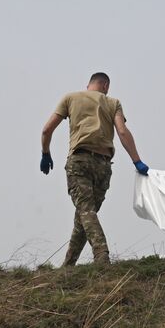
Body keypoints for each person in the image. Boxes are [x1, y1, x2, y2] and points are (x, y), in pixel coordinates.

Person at [41, 72, 149, 266]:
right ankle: (68, 266)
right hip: (103, 166)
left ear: (88, 85)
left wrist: (45, 153)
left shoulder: (70, 98)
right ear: (106, 86)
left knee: (86, 212)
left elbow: (46, 130)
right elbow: (122, 132)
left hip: (79, 162)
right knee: (84, 215)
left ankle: (101, 256)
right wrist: (137, 161)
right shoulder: (113, 102)